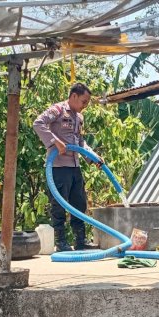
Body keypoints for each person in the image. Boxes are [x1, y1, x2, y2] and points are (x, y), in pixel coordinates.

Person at [33, 82, 103, 252]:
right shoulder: (57, 110)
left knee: (79, 204)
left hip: (74, 167)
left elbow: (80, 142)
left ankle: (80, 241)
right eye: (84, 101)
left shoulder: (79, 118)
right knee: (59, 206)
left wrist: (93, 156)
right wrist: (54, 141)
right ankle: (61, 242)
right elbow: (38, 123)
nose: (85, 106)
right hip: (58, 168)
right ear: (74, 96)